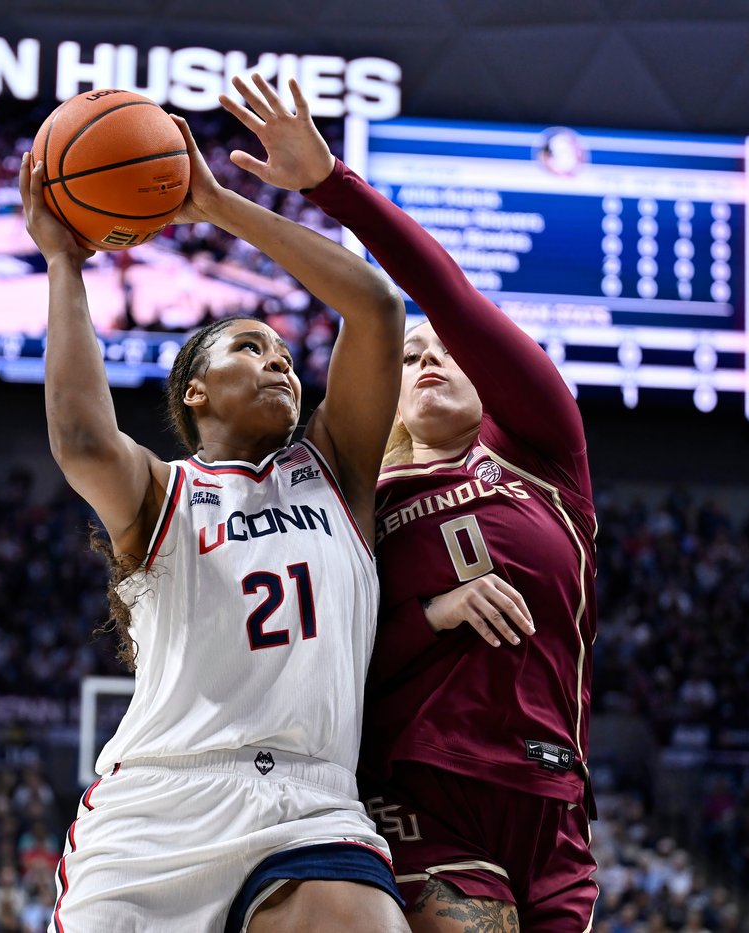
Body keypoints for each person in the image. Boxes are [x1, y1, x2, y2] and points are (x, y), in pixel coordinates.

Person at [222, 75, 600, 931]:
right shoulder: (356, 501)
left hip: (556, 803)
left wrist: (331, 183)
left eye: (447, 350)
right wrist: (432, 611)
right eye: (408, 355)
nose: (428, 358)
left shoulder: (547, 456)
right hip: (420, 795)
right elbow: (327, 664)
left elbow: (449, 297)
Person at [20, 112, 411, 932]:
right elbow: (83, 437)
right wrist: (64, 264)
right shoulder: (161, 494)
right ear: (194, 392)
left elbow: (374, 307)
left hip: (311, 803)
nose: (277, 360)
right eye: (248, 346)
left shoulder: (337, 473)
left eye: (283, 353)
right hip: (159, 805)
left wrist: (220, 204)